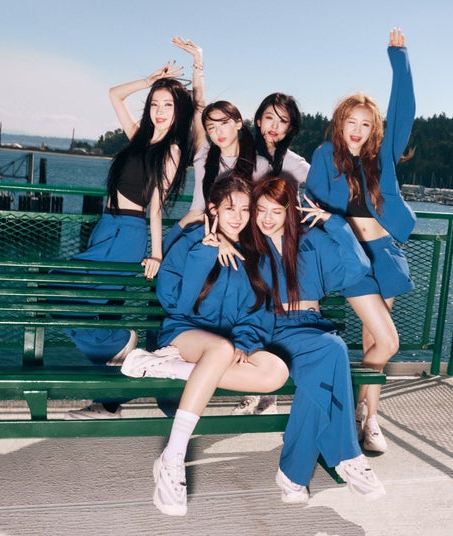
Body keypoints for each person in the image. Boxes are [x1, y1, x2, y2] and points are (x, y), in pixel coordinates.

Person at [120, 173, 289, 516]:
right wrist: (205, 253)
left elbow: (261, 312)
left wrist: (244, 342)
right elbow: (175, 304)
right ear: (213, 209)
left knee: (276, 372)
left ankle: (165, 367)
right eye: (229, 208)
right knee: (220, 351)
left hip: (228, 343)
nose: (238, 217)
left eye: (245, 209)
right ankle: (172, 457)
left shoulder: (259, 253)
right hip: (185, 333)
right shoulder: (189, 242)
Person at [304, 28, 416, 453]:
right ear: (340, 123)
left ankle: (369, 417)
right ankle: (358, 412)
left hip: (385, 252)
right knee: (384, 339)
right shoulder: (323, 155)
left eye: (366, 124)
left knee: (375, 340)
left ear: (374, 130)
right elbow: (312, 209)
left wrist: (399, 58)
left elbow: (405, 109)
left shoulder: (382, 156)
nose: (357, 129)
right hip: (352, 258)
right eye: (351, 122)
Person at [66, 63, 194, 419]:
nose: (160, 111)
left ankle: (121, 343)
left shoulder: (171, 150)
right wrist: (148, 80)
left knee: (61, 292)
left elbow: (156, 206)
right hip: (106, 228)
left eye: (168, 105)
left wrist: (156, 253)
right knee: (78, 303)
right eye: (155, 103)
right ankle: (112, 384)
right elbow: (114, 94)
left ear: (179, 112)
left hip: (127, 233)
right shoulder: (139, 137)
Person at [252, 175, 386, 503]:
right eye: (260, 210)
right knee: (334, 350)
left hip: (311, 327)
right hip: (274, 331)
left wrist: (334, 222)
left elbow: (358, 266)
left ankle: (294, 474)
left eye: (276, 211)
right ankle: (347, 456)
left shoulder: (311, 240)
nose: (267, 218)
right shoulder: (249, 247)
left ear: (290, 211)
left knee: (319, 380)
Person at [233, 92, 311, 416]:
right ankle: (253, 386)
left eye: (283, 120)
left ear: (291, 127)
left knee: (276, 312)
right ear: (258, 120)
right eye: (269, 118)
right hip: (247, 245)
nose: (274, 126)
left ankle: (269, 393)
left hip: (280, 249)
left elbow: (327, 189)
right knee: (248, 309)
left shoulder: (295, 163)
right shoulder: (243, 156)